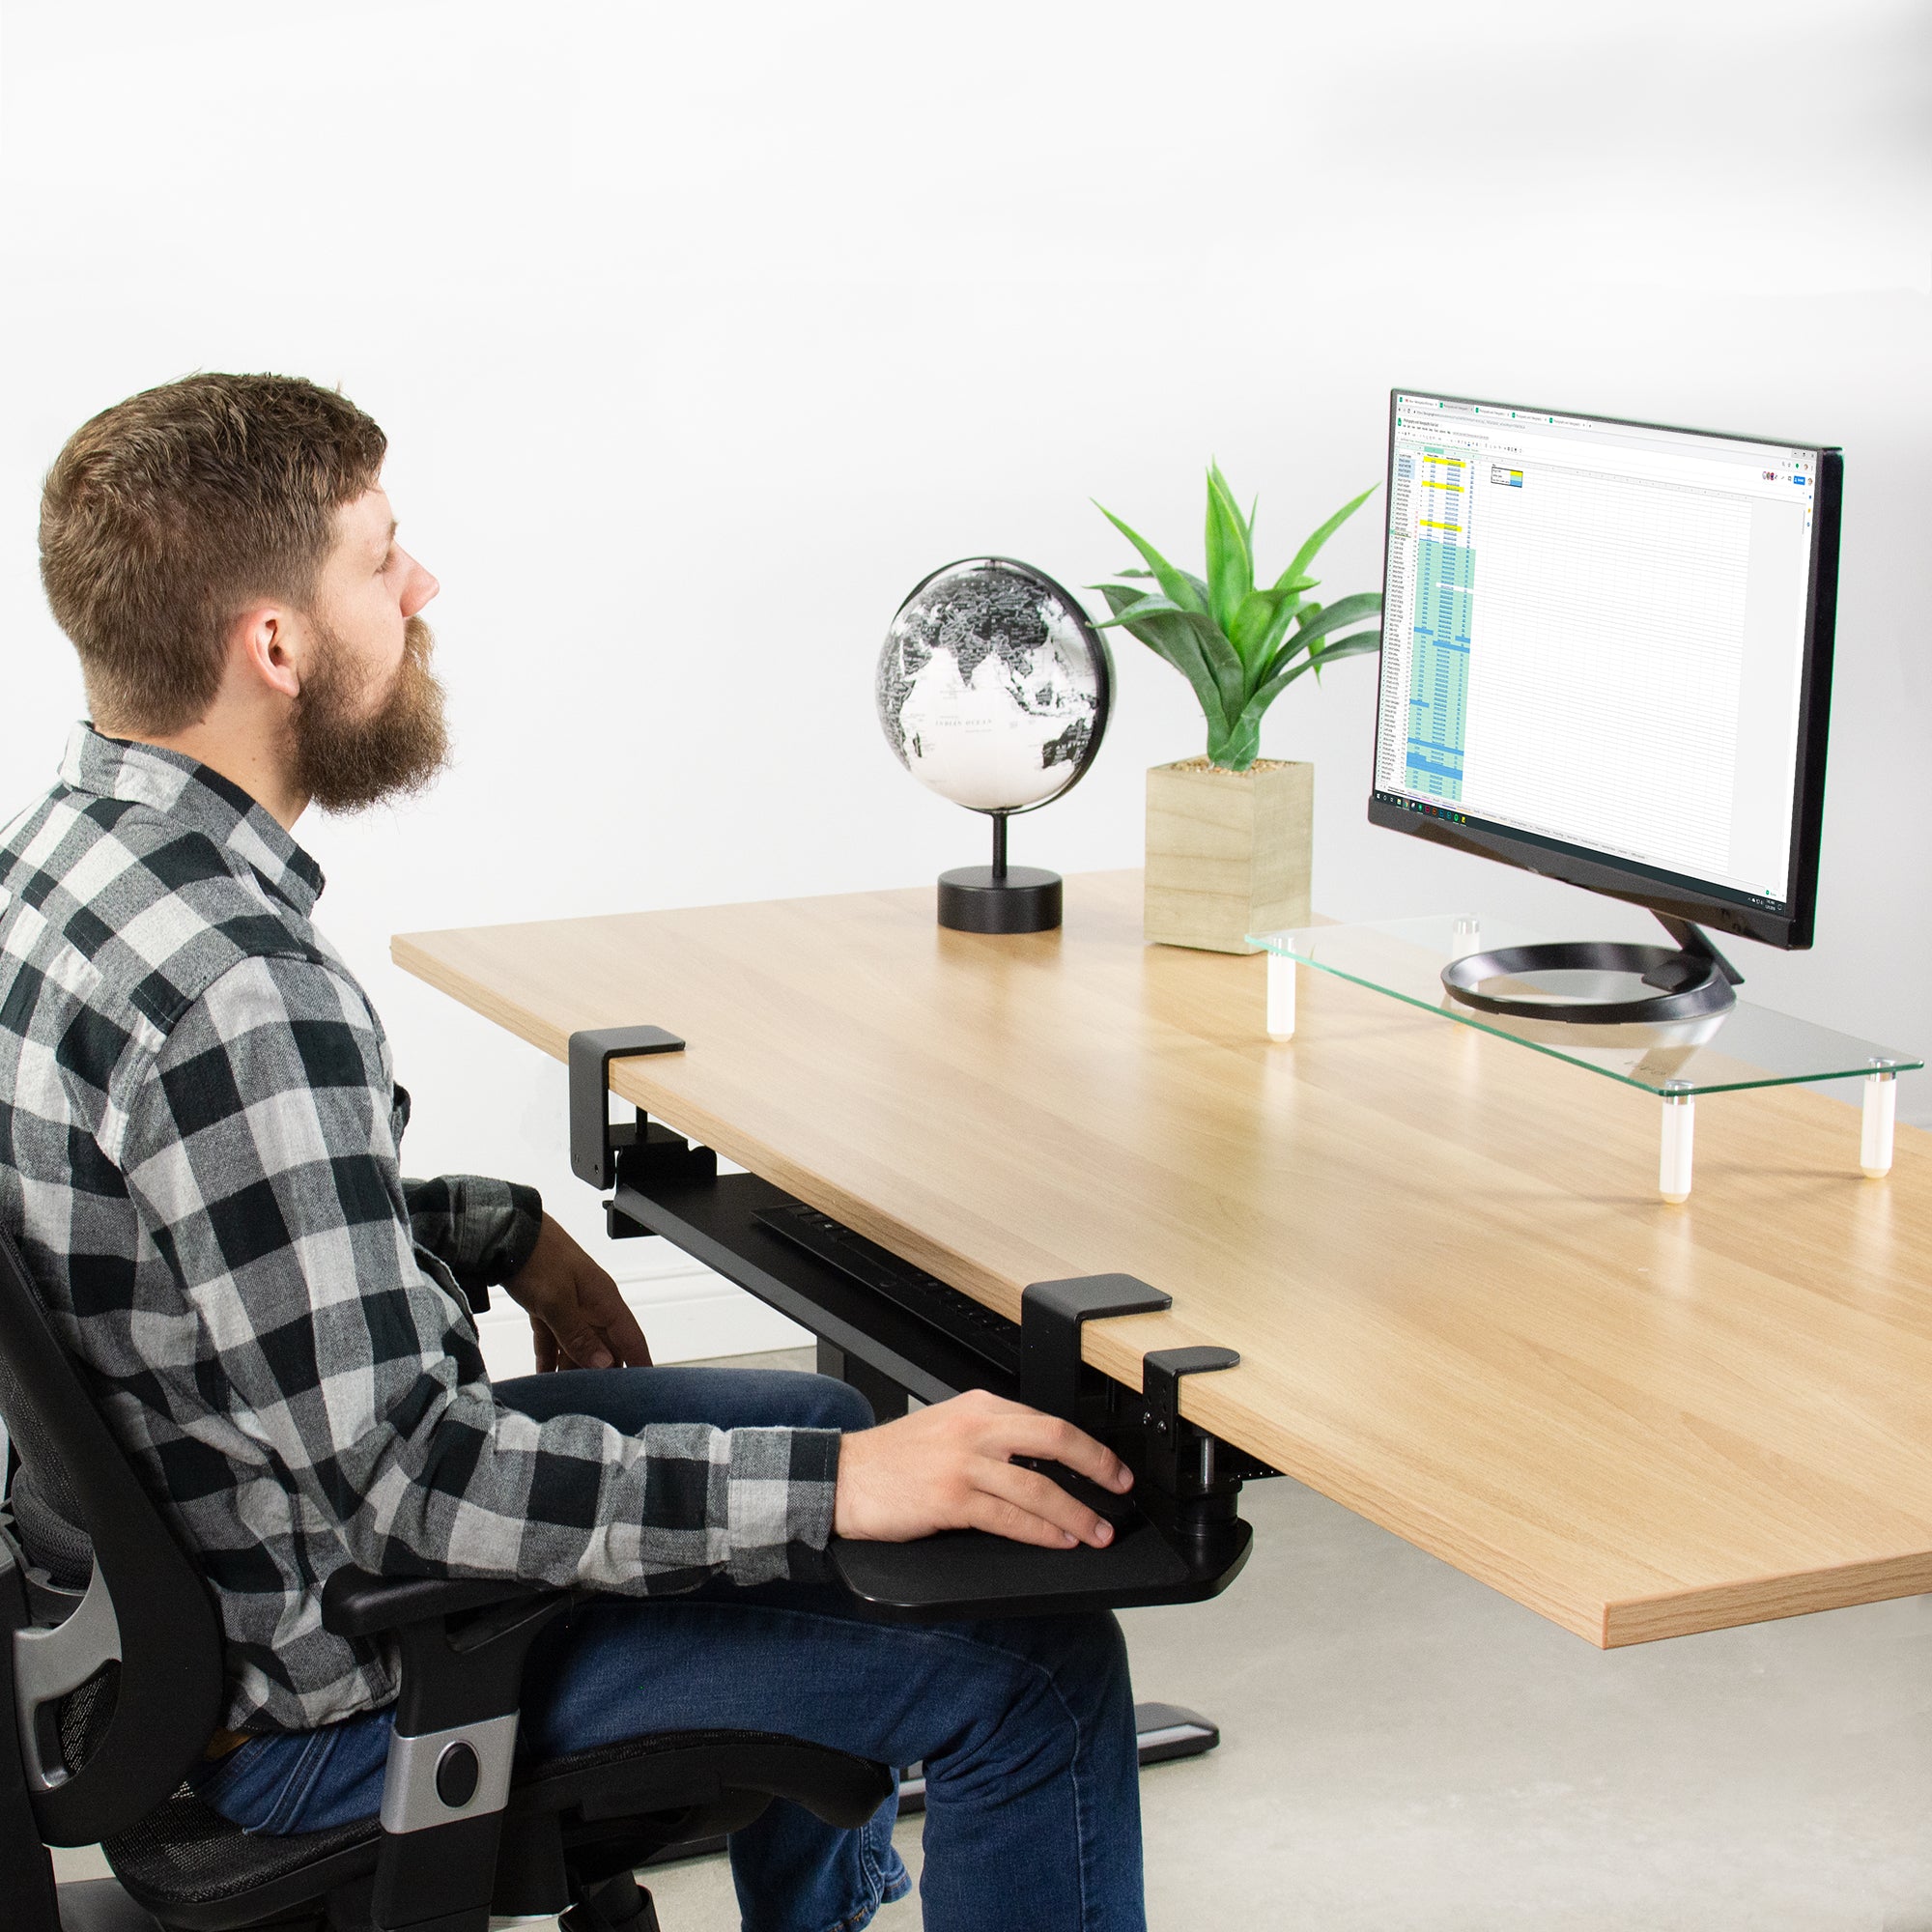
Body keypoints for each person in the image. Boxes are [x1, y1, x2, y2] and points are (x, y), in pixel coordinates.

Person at [0, 374, 1147, 1932]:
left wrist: (497, 1227)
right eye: (379, 557)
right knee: (1036, 1668)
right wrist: (841, 1486)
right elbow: (420, 1489)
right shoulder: (238, 992)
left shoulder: (66, 873)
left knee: (813, 1412)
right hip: (332, 1699)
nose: (423, 590)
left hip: (176, 1627)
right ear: (273, 643)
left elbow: (217, 1240)